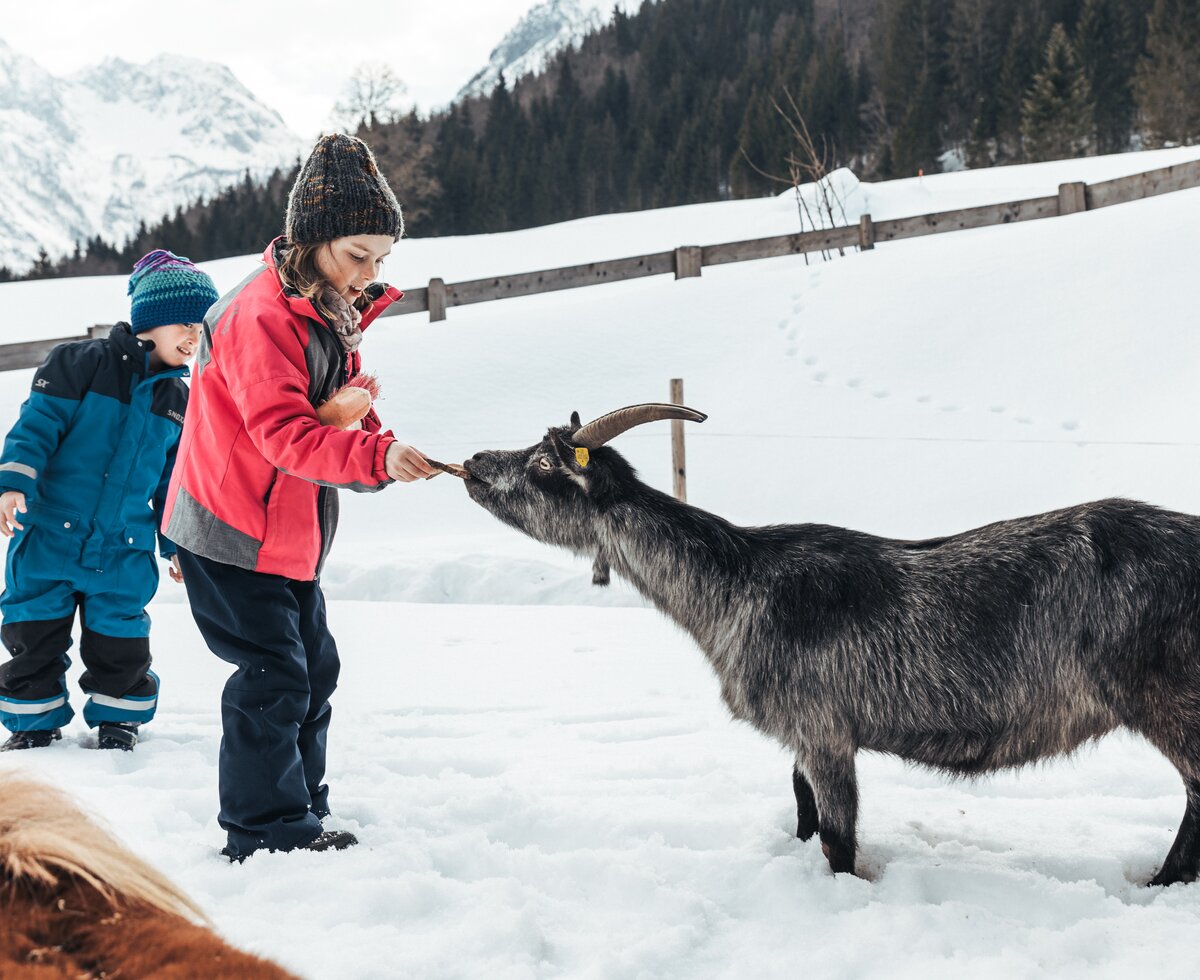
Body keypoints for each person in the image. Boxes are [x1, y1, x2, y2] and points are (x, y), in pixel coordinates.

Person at [162, 133, 434, 861]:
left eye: (382, 258)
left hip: (287, 527)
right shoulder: (261, 318)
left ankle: (298, 808)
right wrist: (376, 456)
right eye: (358, 254)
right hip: (231, 528)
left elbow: (338, 406)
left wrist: (379, 439)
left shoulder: (324, 308)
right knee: (273, 675)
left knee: (314, 669)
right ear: (314, 240)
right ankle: (265, 830)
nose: (370, 273)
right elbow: (285, 434)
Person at [0, 250, 218, 752]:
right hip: (50, 535)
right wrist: (14, 484)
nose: (195, 337)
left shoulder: (179, 400)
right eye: (186, 323)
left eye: (204, 328)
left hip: (122, 545)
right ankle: (33, 724)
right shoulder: (78, 365)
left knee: (120, 640)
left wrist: (176, 543)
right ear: (152, 321)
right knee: (34, 632)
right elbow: (35, 429)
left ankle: (119, 720)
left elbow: (172, 481)